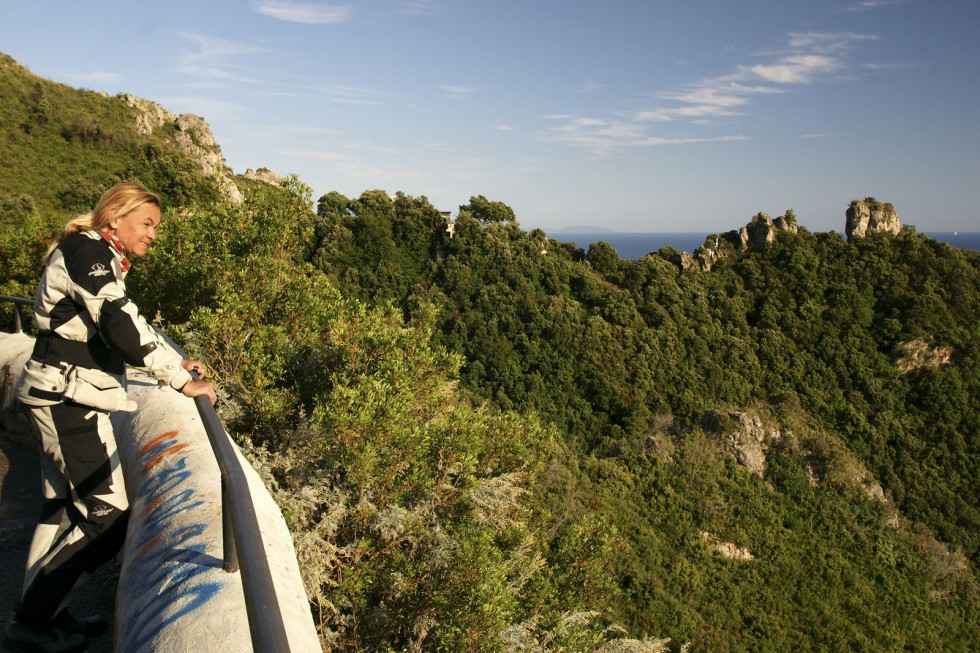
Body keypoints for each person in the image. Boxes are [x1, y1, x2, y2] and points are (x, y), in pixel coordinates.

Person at [4, 182, 216, 653]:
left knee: (63, 512)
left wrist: (171, 361)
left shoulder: (95, 253)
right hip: (66, 399)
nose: (153, 235)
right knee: (106, 516)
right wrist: (181, 382)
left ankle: (46, 619)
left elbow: (129, 320)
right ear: (115, 217)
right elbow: (118, 321)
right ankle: (31, 625)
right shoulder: (87, 252)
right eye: (147, 223)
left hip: (69, 394)